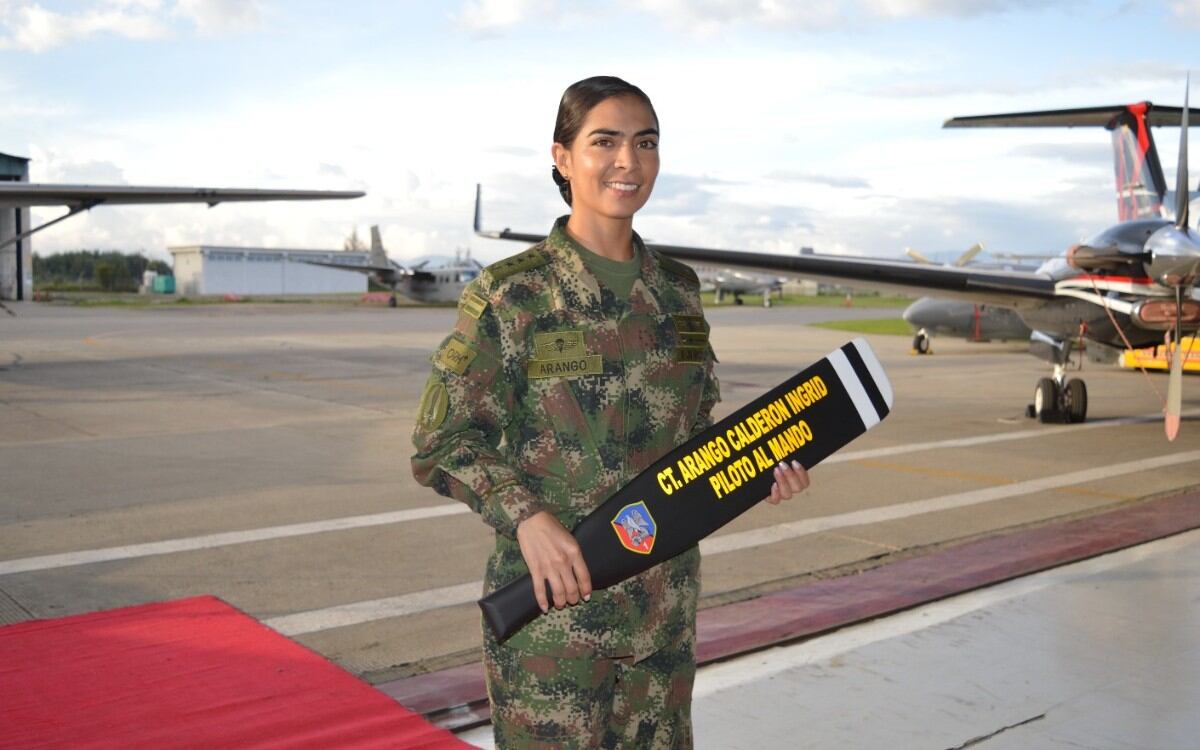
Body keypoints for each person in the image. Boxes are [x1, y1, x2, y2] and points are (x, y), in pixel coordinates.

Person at [412, 75, 810, 749]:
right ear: (563, 158)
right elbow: (441, 442)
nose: (629, 161)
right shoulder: (514, 295)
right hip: (554, 626)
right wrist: (526, 516)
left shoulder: (678, 292)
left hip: (663, 619)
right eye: (606, 141)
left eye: (646, 143)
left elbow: (697, 439)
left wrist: (758, 467)